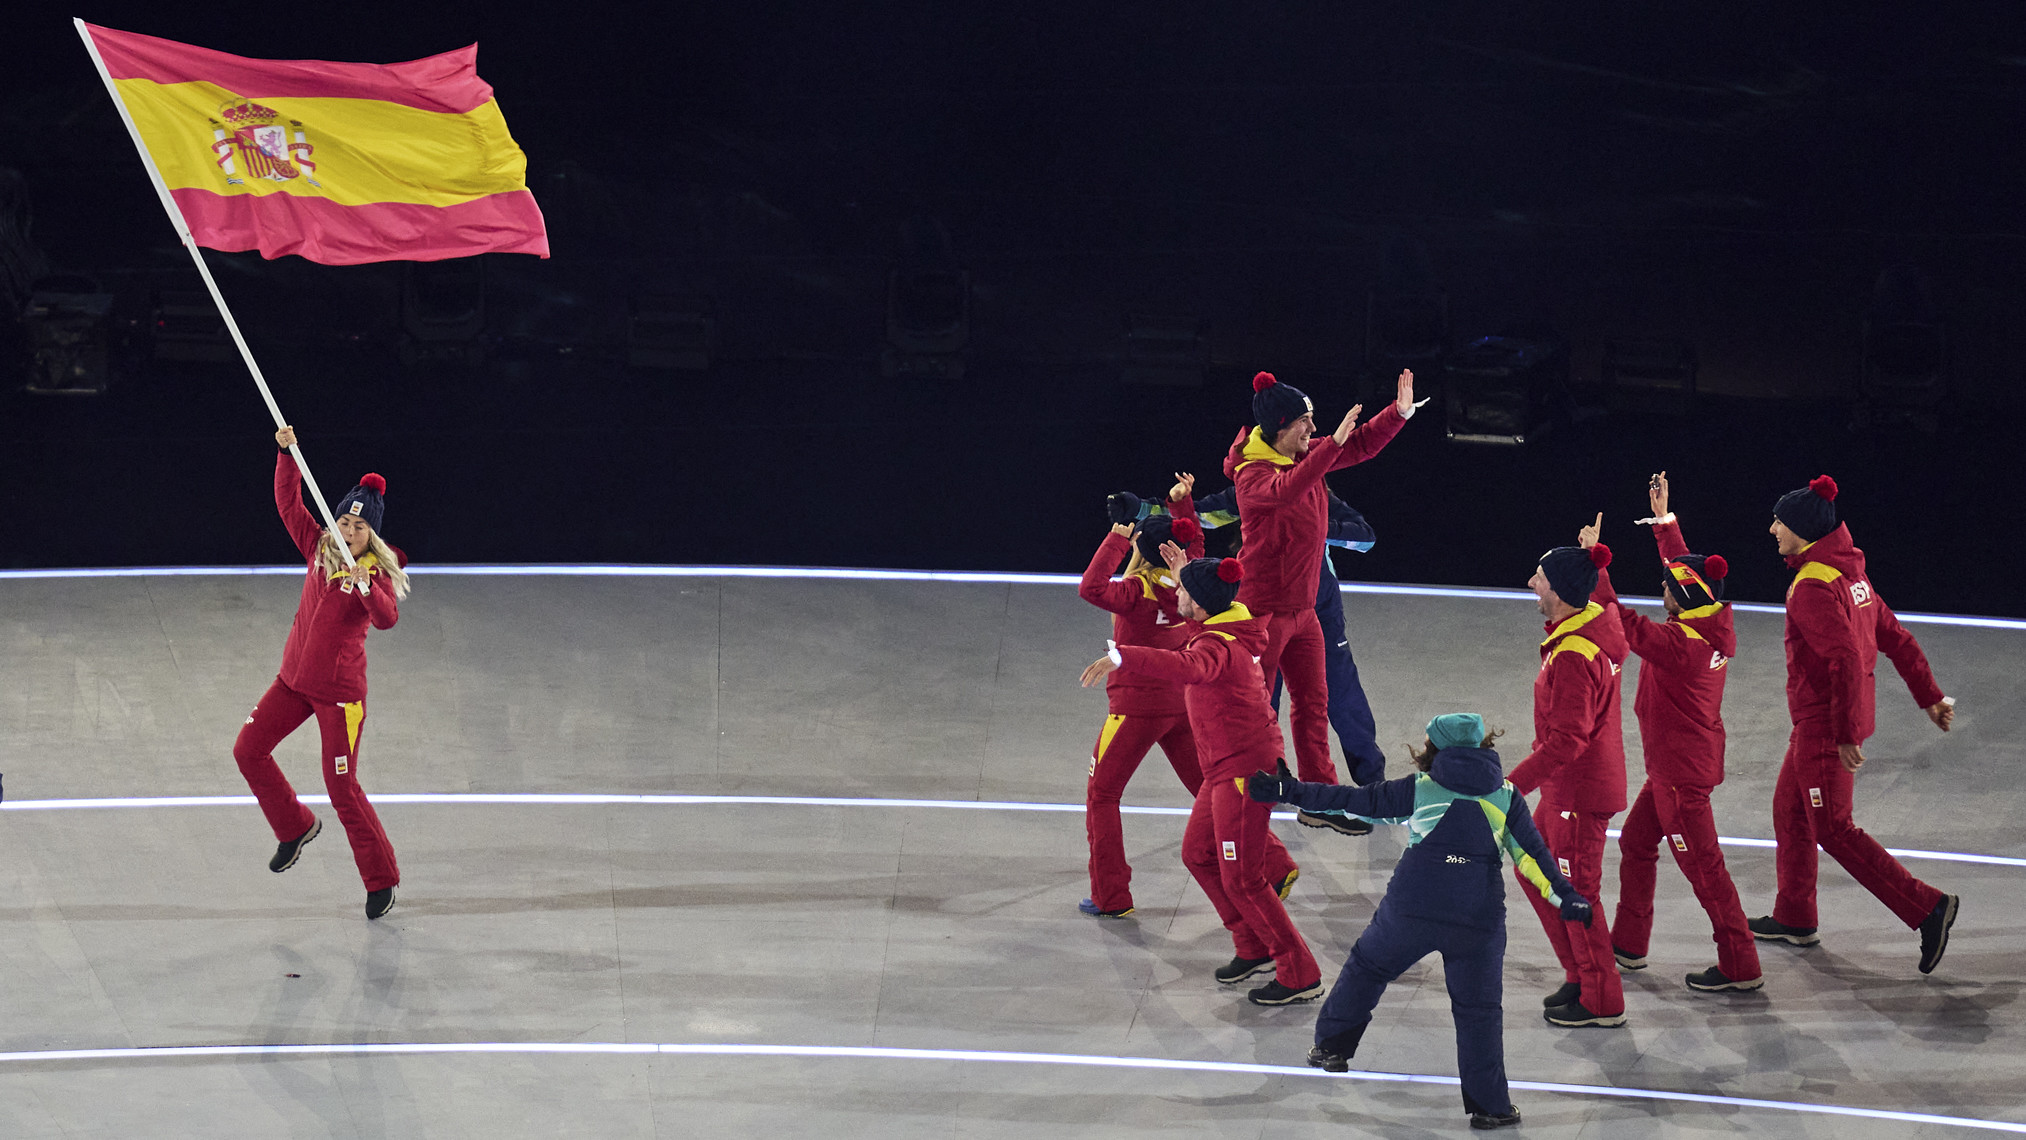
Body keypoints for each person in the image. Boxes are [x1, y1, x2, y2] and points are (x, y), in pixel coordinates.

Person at [1245, 713, 1592, 1131]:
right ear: (1484, 747)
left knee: (1368, 967)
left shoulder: (1421, 790)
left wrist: (1289, 790)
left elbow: (1349, 803)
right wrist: (1564, 896)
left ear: (1434, 749)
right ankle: (1491, 1107)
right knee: (1479, 1011)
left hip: (1412, 908)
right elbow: (1532, 856)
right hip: (1476, 920)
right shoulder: (1507, 796)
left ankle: (1332, 1047)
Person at [1080, 547, 1324, 1006]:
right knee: (1197, 854)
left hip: (1242, 773)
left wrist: (1125, 656)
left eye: (1183, 593)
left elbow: (1188, 664)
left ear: (1202, 603)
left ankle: (1299, 972)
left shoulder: (1214, 647)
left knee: (1244, 880)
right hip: (1222, 769)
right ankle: (1252, 947)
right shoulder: (1229, 622)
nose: (1176, 597)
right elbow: (1197, 626)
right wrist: (1183, 574)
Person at [1750, 475, 1960, 973]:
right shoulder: (1851, 576)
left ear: (1802, 530)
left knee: (1835, 829)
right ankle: (1795, 916)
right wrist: (1929, 697)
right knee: (1791, 809)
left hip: (1827, 723)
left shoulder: (1809, 587)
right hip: (1821, 720)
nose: (1773, 528)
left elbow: (1844, 657)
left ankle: (1928, 908)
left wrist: (1843, 735)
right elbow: (1894, 635)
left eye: (1780, 521)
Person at [1079, 474, 1300, 917]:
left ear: (1145, 549)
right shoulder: (1190, 585)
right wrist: (1182, 508)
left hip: (1136, 709)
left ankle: (1111, 896)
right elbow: (1193, 546)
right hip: (1182, 703)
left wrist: (1116, 539)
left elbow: (1091, 587)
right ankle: (1275, 863)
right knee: (1208, 788)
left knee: (1102, 796)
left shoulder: (1136, 591)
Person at [1221, 369, 1419, 834]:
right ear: (1280, 428)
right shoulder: (1252, 474)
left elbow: (1361, 442)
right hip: (1261, 614)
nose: (1314, 430)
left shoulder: (1306, 455)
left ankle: (1319, 797)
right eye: (1305, 423)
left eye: (1314, 423)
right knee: (1259, 711)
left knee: (1313, 703)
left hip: (1303, 610)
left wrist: (1399, 413)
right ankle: (1252, 795)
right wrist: (1330, 448)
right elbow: (1285, 490)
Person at [1585, 475, 1762, 993]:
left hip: (1681, 781)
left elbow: (1621, 622)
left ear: (1680, 601)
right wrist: (1665, 522)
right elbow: (1685, 571)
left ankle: (1740, 964)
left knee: (1706, 873)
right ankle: (1629, 944)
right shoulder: (1708, 619)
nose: (1661, 587)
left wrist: (1598, 567)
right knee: (1638, 843)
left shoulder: (1678, 645)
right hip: (1676, 768)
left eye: (1665, 587)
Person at [233, 426, 408, 919]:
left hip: (340, 699)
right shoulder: (318, 550)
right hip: (293, 682)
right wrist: (286, 456)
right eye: (343, 522)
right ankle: (294, 826)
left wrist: (364, 587)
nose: (347, 532)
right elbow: (289, 505)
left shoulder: (372, 575)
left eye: (357, 528)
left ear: (370, 534)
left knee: (342, 787)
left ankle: (382, 879)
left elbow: (387, 618)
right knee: (248, 749)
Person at [1508, 539, 1629, 1027]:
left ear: (1558, 590)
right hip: (1567, 789)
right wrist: (1592, 555)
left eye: (1539, 576)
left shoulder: (1576, 654)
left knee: (1578, 893)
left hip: (1578, 791)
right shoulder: (1595, 619)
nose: (1531, 582)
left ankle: (1602, 1000)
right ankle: (1579, 973)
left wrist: (1509, 788)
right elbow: (1608, 598)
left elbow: (1566, 742)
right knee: (1531, 870)